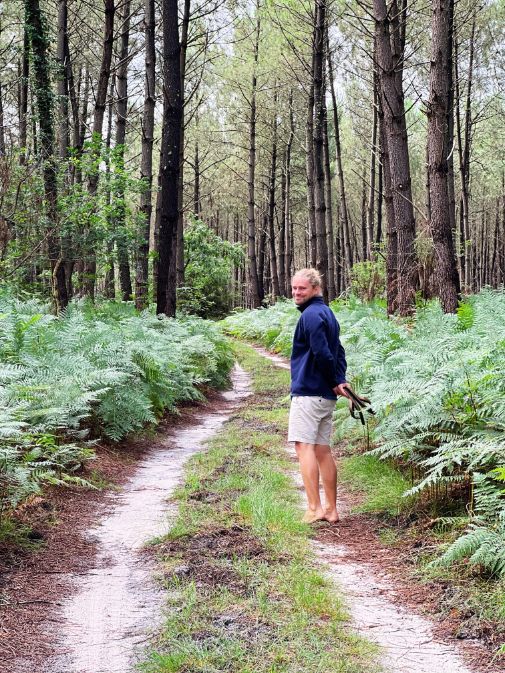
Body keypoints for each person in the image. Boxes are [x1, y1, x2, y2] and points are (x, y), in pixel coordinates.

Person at [288, 268, 349, 523]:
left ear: (315, 288)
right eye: (294, 288)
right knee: (323, 450)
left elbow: (324, 353)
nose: (296, 293)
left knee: (304, 447)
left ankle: (314, 508)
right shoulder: (327, 313)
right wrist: (339, 380)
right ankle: (332, 510)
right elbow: (340, 351)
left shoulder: (311, 315)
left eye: (301, 288)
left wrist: (336, 379)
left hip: (309, 393)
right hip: (325, 396)